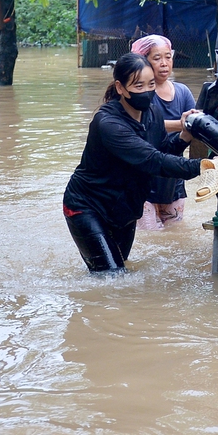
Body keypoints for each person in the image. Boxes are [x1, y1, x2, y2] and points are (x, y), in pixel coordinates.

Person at [63, 53, 202, 272]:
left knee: (118, 270)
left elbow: (162, 151)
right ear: (120, 87)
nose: (147, 92)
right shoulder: (109, 123)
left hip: (125, 208)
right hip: (87, 206)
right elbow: (154, 161)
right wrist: (204, 167)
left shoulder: (152, 113)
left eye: (151, 84)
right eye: (139, 86)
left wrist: (184, 136)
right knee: (112, 277)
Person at [130, 35, 197, 229]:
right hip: (144, 179)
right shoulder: (141, 93)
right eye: (157, 58)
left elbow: (193, 125)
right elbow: (144, 123)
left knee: (173, 238)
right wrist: (181, 124)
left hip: (173, 180)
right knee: (150, 238)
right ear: (144, 61)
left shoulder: (183, 92)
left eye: (168, 57)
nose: (164, 63)